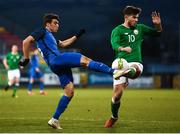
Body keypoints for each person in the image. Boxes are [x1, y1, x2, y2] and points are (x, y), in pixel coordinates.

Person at [19, 13, 126, 129]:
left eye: (58, 23)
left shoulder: (50, 37)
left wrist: (77, 35)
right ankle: (114, 72)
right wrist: (26, 58)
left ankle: (54, 119)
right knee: (85, 59)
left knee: (69, 92)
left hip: (56, 65)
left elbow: (64, 44)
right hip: (57, 60)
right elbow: (26, 42)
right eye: (55, 23)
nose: (57, 25)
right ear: (47, 24)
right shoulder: (42, 31)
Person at [104, 5, 162, 128]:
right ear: (126, 17)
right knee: (117, 95)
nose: (137, 20)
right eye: (134, 17)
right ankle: (114, 116)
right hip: (121, 61)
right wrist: (122, 48)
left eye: (137, 17)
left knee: (135, 68)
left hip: (135, 61)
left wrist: (157, 24)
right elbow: (114, 44)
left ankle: (126, 72)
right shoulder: (117, 30)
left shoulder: (140, 28)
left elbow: (157, 33)